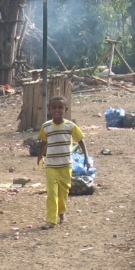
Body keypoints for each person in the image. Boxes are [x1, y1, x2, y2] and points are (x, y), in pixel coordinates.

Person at [37, 96, 88, 229]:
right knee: (52, 193)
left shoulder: (70, 126)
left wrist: (86, 158)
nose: (57, 110)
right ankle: (51, 220)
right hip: (51, 166)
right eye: (54, 107)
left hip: (66, 165)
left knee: (63, 191)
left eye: (60, 107)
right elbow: (44, 142)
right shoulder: (46, 126)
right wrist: (40, 156)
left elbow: (81, 141)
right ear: (49, 109)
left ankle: (61, 212)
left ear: (66, 109)